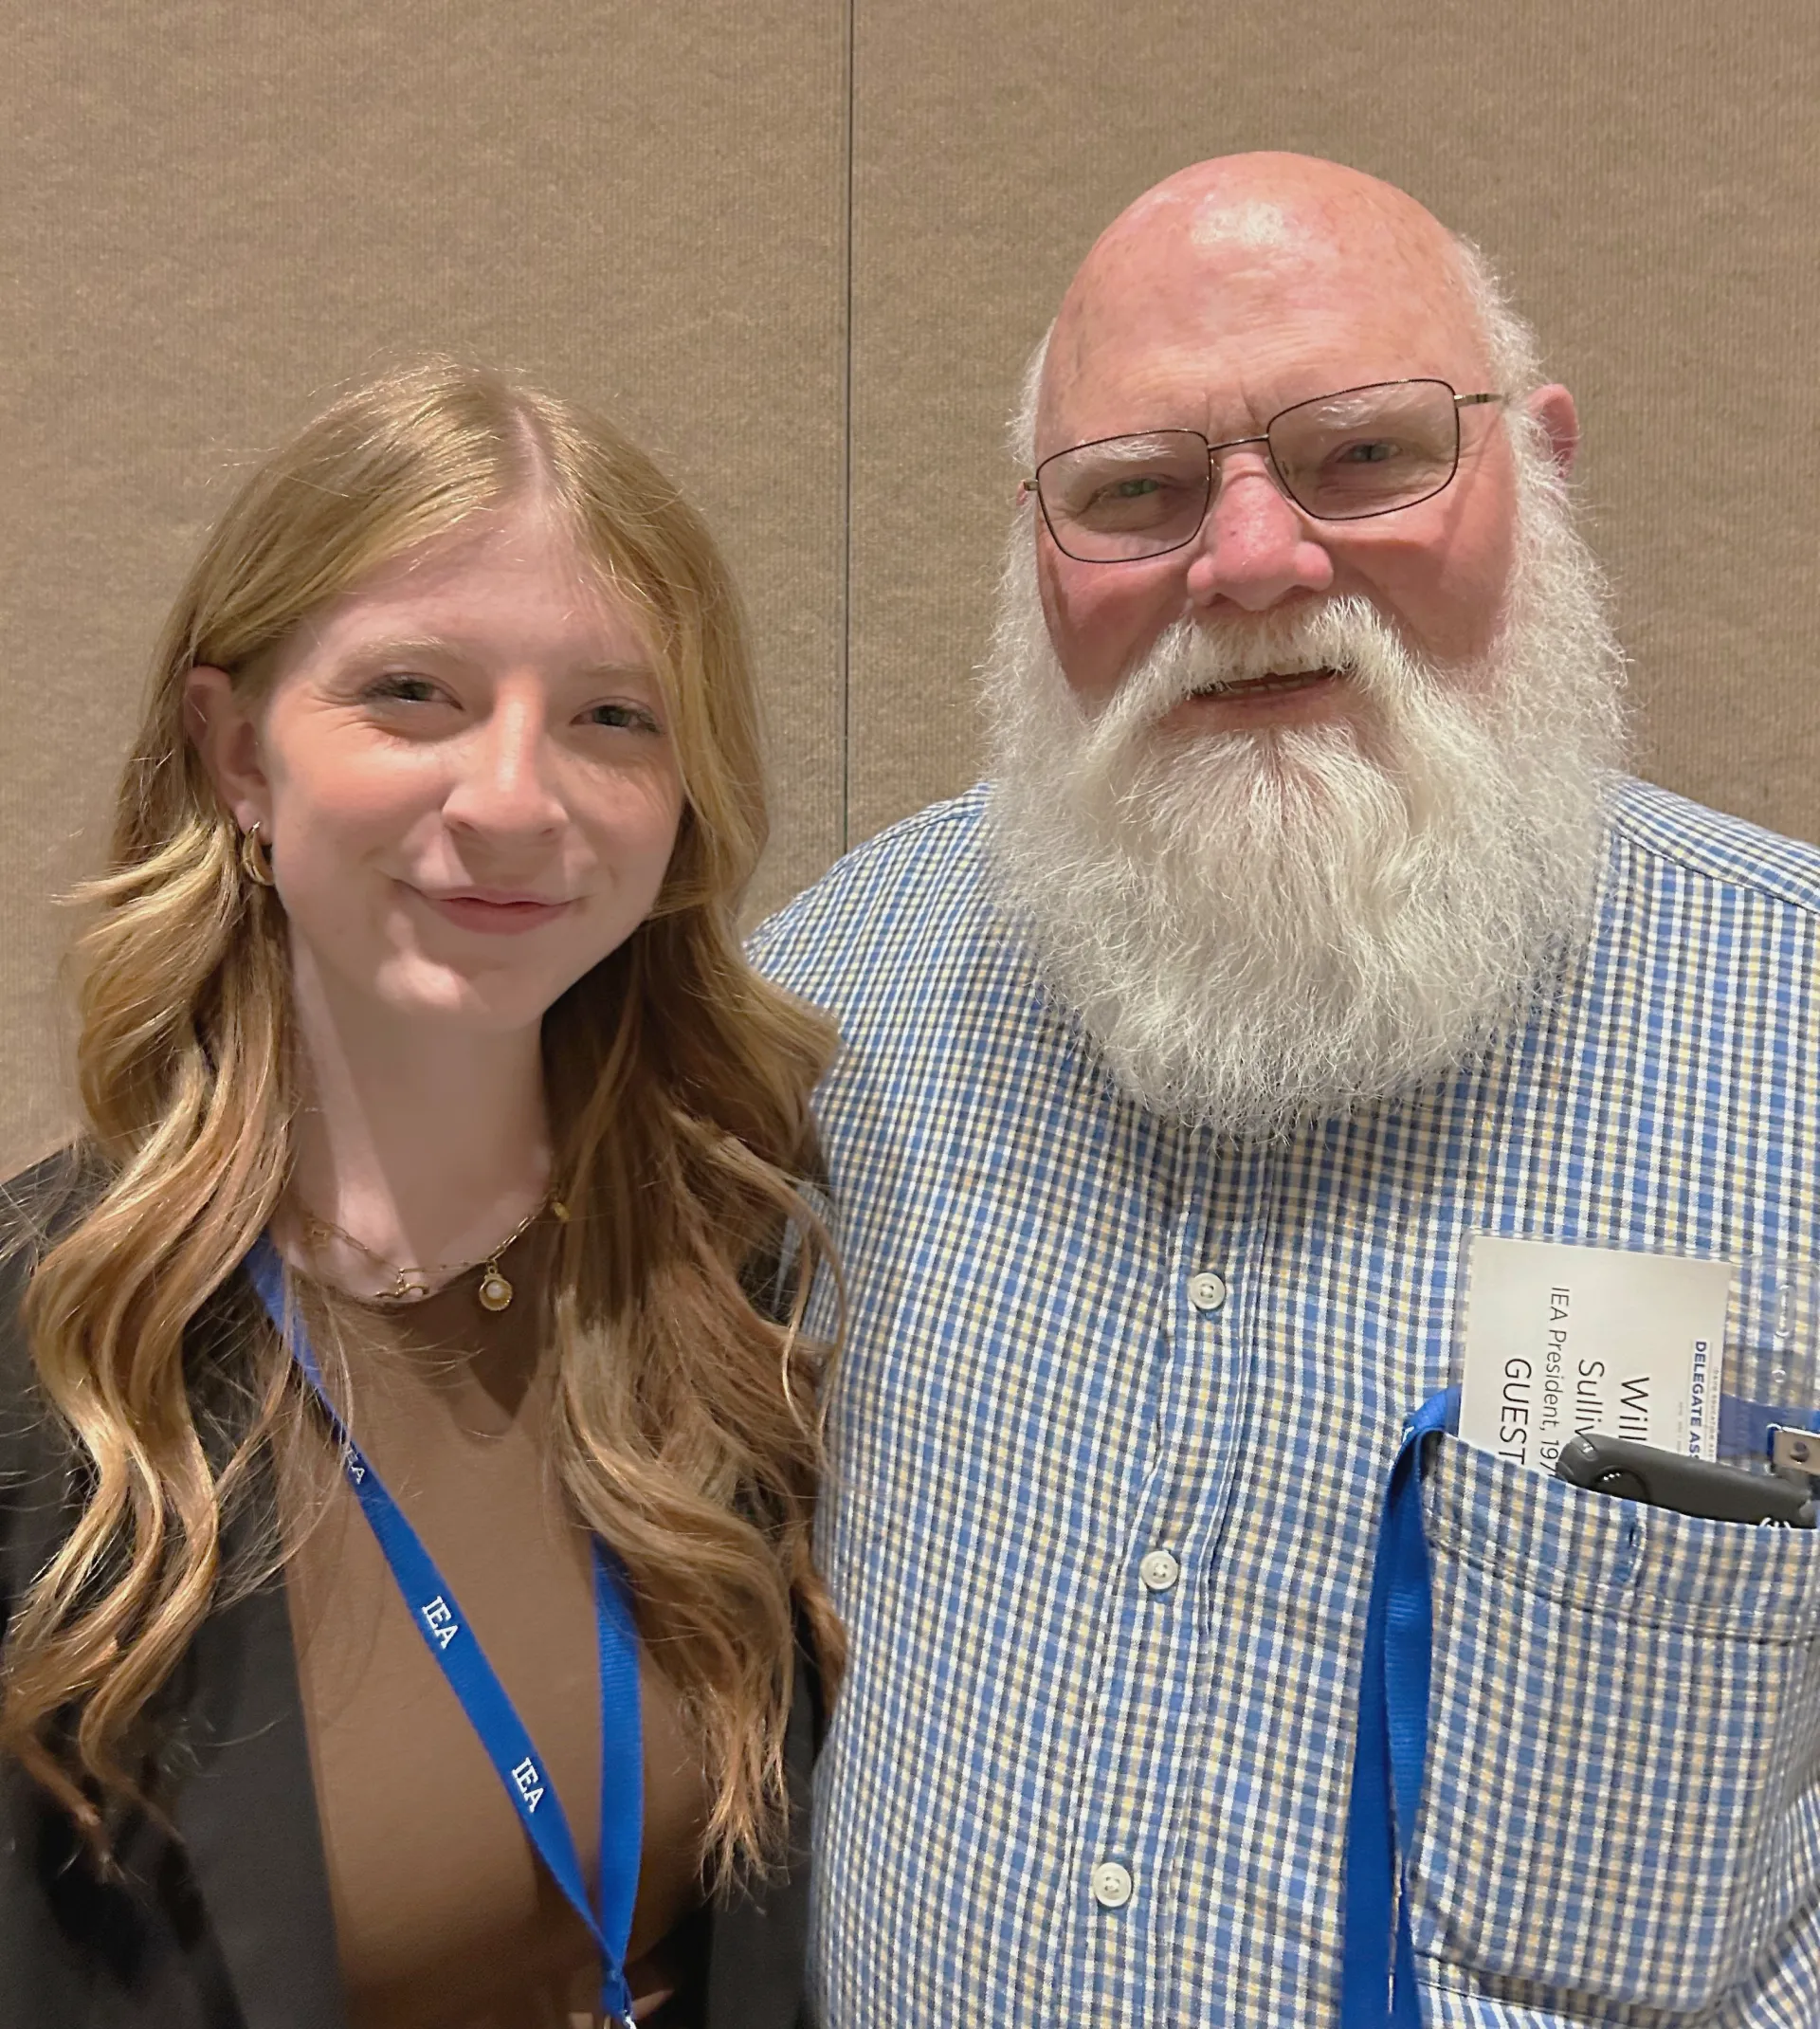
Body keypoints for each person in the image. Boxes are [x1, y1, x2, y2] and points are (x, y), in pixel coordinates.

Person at [752, 154, 1820, 2025]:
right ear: (1036, 544)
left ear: (1540, 465)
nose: (1249, 564)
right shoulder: (829, 1002)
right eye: (1139, 492)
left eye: (1365, 456)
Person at [0, 359, 840, 2028]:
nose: (516, 800)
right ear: (237, 754)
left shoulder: (756, 1277)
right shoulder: (53, 1358)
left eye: (613, 716)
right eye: (414, 694)